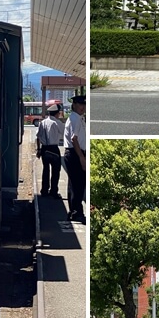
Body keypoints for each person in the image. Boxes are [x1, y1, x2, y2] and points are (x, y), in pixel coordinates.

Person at [63, 94, 86, 223]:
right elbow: (74, 139)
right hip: (75, 153)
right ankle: (77, 212)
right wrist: (81, 157)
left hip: (74, 153)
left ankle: (73, 211)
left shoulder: (78, 118)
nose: (83, 107)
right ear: (74, 105)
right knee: (78, 184)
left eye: (84, 104)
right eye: (80, 104)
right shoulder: (76, 119)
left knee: (73, 184)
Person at [36, 103, 64, 198]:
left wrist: (38, 149)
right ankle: (53, 191)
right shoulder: (57, 123)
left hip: (44, 148)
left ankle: (44, 191)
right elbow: (64, 133)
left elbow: (38, 137)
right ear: (57, 113)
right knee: (56, 171)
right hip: (54, 148)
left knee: (46, 170)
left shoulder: (42, 122)